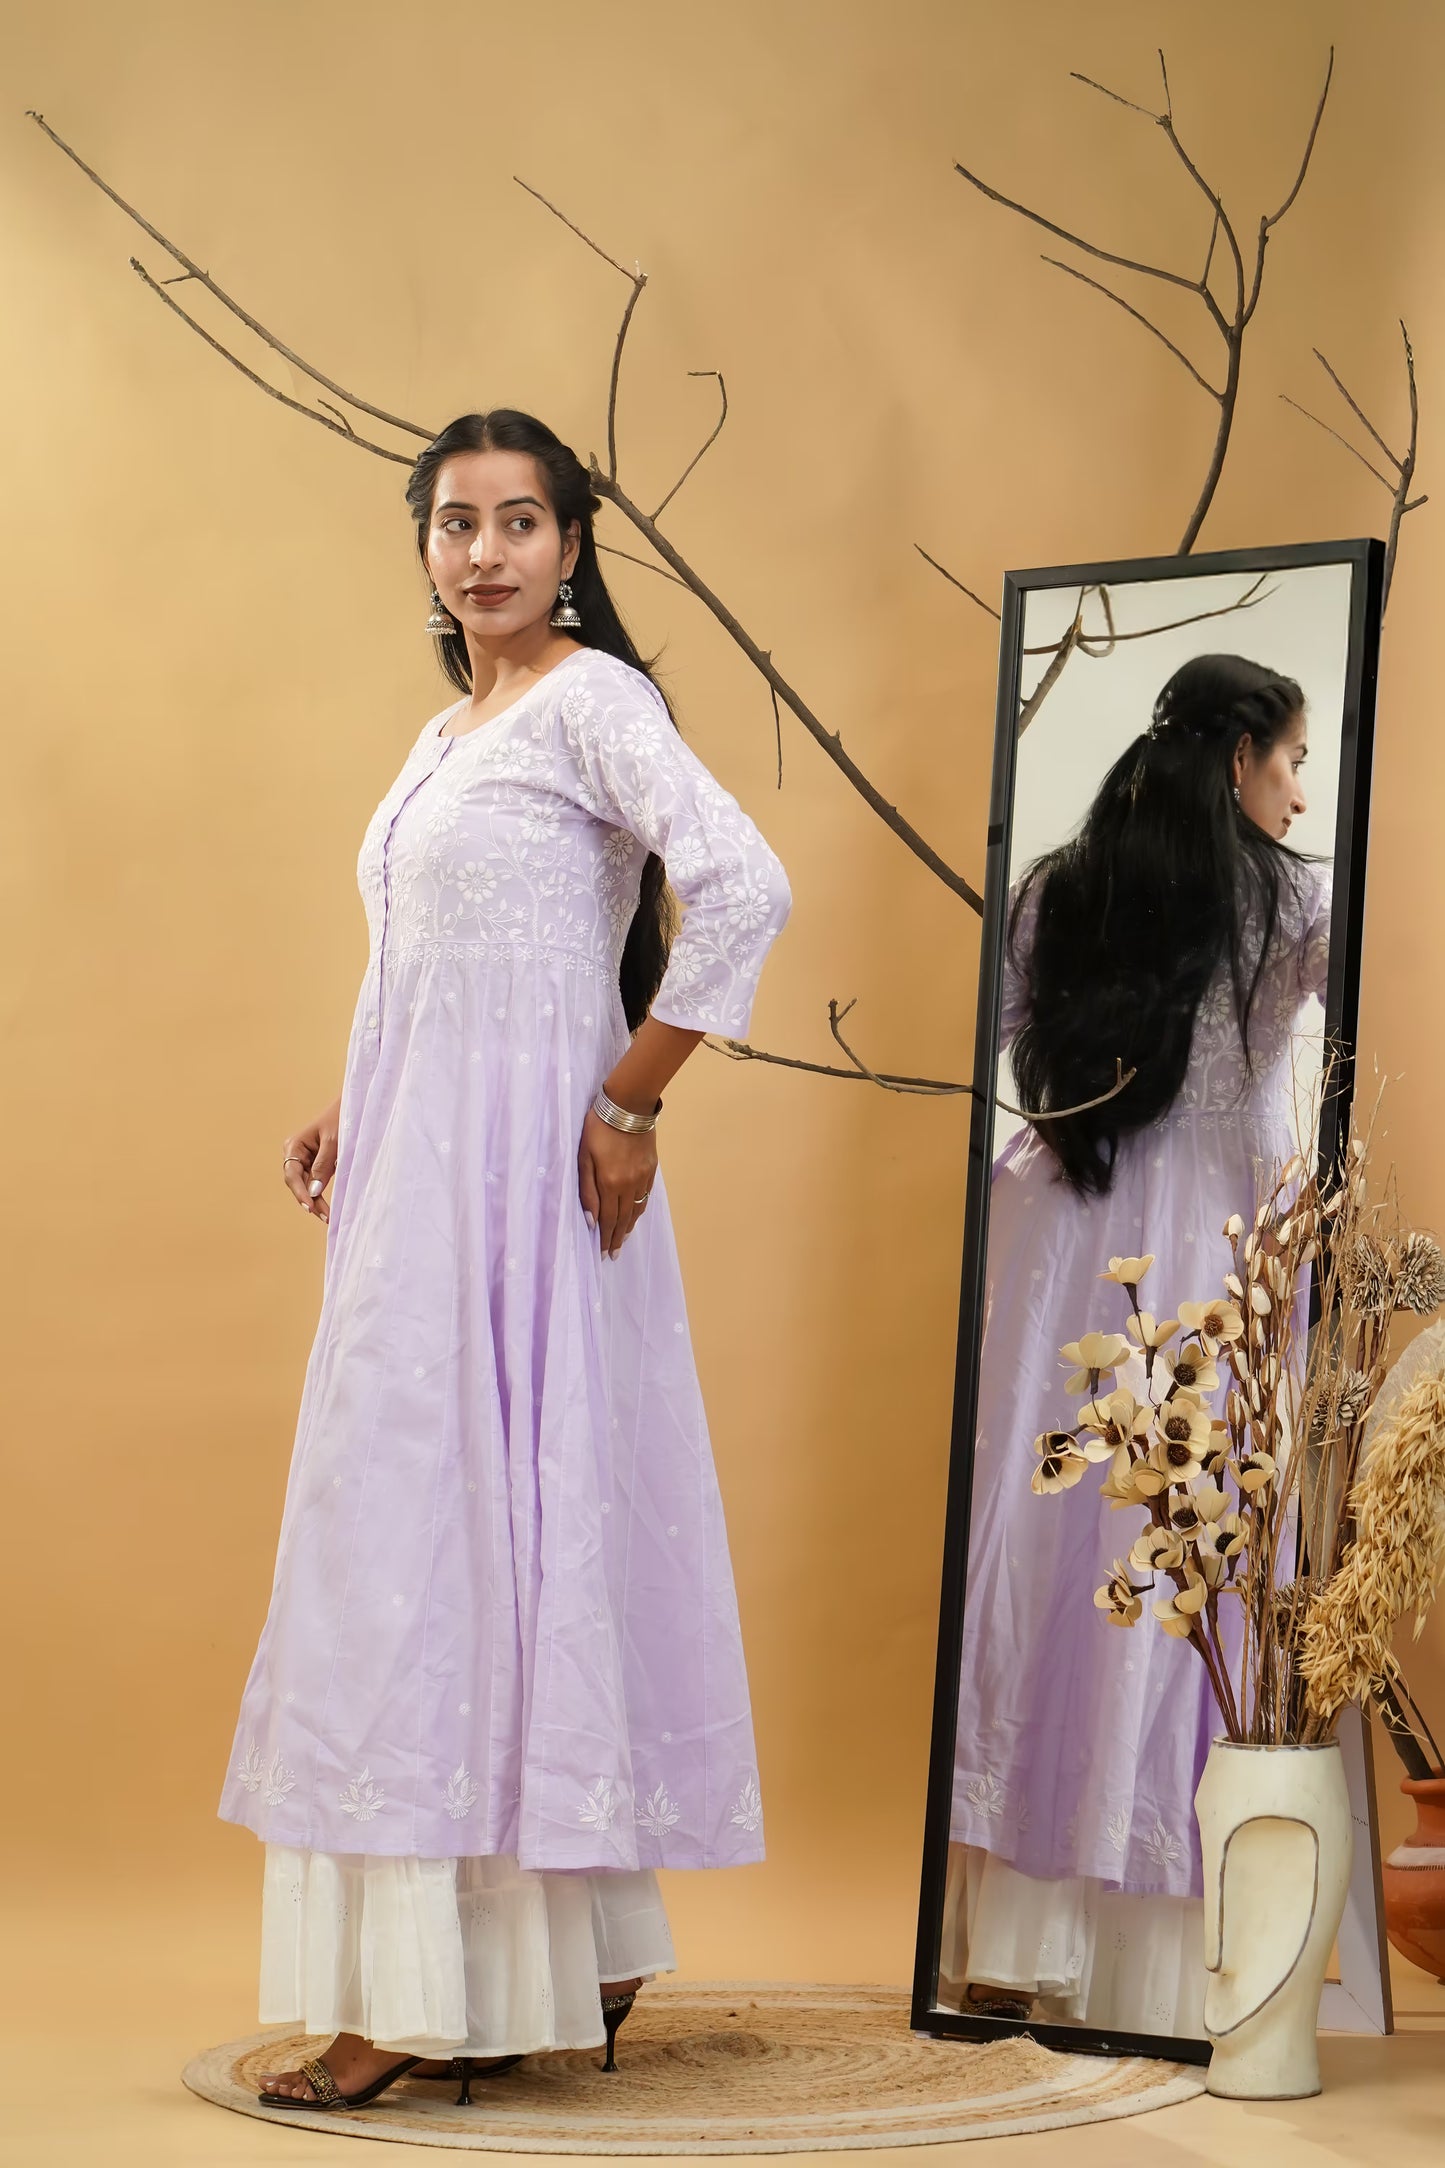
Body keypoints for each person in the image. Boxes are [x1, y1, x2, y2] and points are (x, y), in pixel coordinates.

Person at [218, 409, 791, 2111]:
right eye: (455, 523)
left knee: (507, 1522)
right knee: (429, 1527)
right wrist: (357, 1092)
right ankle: (572, 1954)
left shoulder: (595, 702)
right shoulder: (443, 731)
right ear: (423, 548)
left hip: (530, 1200)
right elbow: (446, 953)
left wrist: (631, 1101)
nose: (484, 552)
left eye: (519, 521)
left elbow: (740, 889)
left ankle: (429, 1993)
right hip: (415, 1191)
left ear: (571, 546)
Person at [944, 654, 1330, 2034]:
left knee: (1056, 1545)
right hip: (1211, 1242)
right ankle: (1164, 1956)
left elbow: (1008, 1050)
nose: (1301, 787)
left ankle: (1024, 1935)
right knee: (1186, 1554)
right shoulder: (1293, 896)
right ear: (1237, 760)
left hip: (1063, 1234)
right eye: (1290, 758)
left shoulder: (1062, 882)